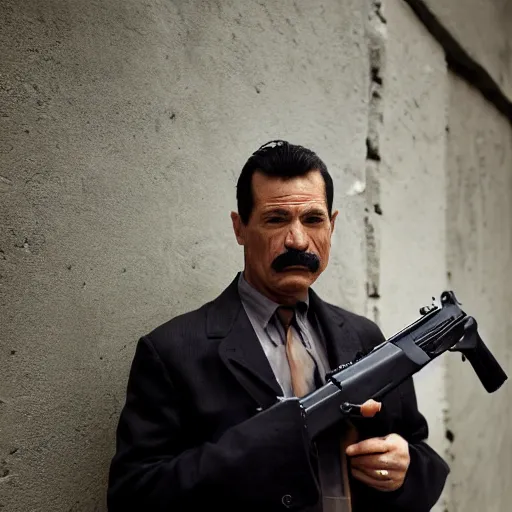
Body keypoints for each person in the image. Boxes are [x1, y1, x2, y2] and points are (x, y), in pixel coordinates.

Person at [107, 140, 449, 511]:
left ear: (332, 226)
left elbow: (419, 453)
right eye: (276, 219)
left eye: (313, 219)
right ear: (240, 228)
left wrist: (402, 470)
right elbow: (134, 496)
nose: (298, 240)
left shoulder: (364, 336)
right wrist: (263, 441)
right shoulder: (172, 352)